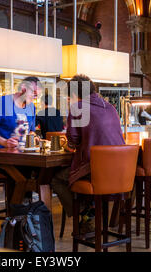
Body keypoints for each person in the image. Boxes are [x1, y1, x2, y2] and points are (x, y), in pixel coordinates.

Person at [51, 74, 125, 230]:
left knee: (57, 179)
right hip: (121, 171)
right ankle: (89, 214)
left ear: (73, 95)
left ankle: (85, 213)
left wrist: (66, 144)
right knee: (80, 174)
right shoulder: (109, 106)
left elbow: (73, 142)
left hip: (97, 170)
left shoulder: (78, 107)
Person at [0, 76, 42, 204]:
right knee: (22, 172)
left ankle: (26, 211)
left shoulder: (31, 107)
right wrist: (5, 142)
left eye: (38, 95)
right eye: (34, 93)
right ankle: (17, 212)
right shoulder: (2, 103)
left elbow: (31, 131)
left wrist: (34, 137)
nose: (35, 97)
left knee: (38, 170)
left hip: (21, 156)